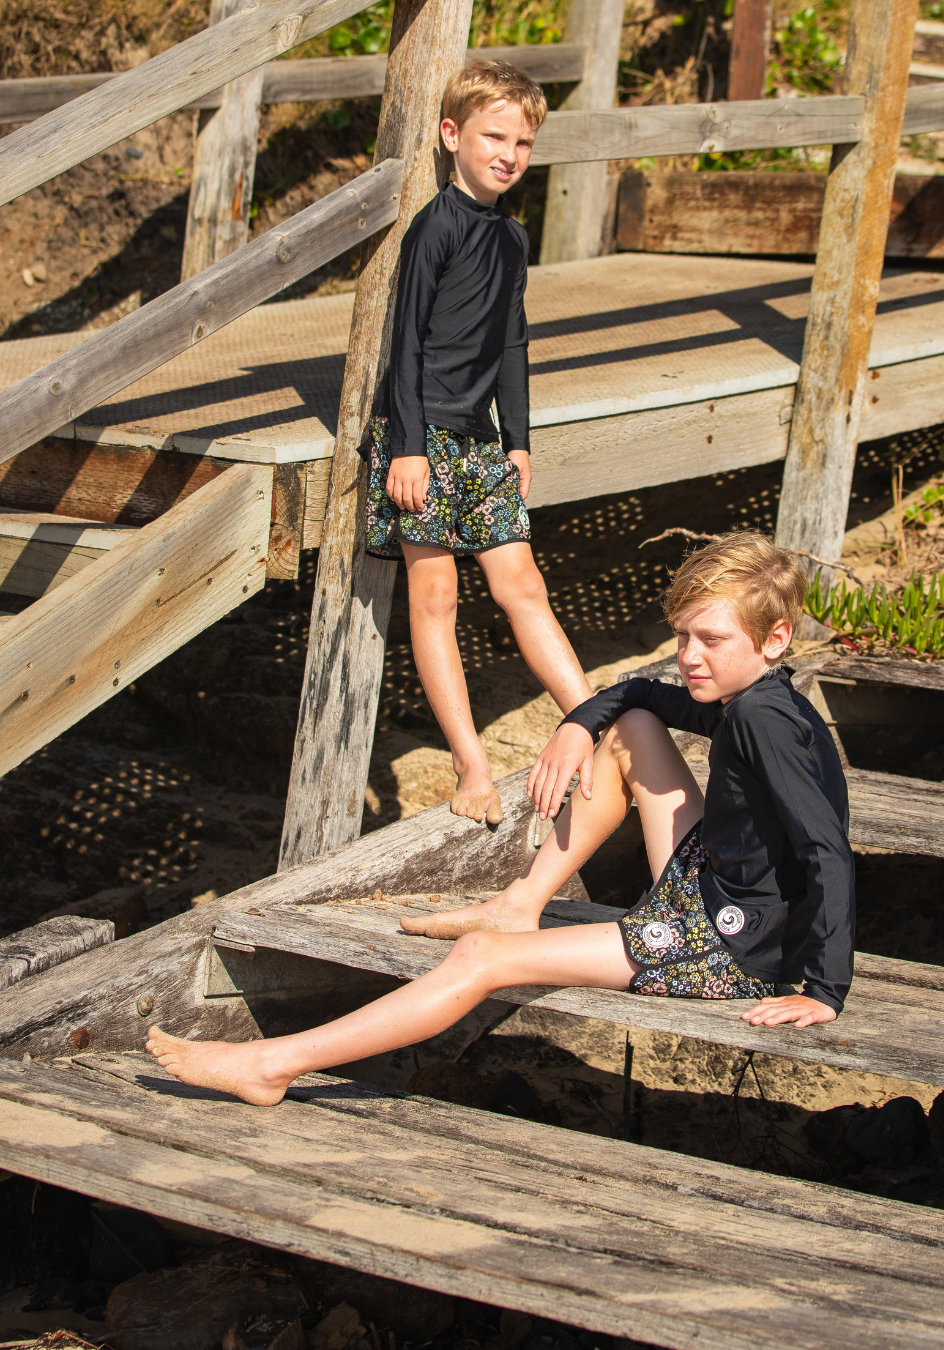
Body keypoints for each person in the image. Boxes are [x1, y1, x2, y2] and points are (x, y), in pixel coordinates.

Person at [146, 532, 855, 1107]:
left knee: (480, 959)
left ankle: (274, 1065)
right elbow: (641, 690)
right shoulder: (759, 694)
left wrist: (822, 990)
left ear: (775, 637)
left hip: (725, 941)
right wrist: (580, 723)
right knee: (633, 721)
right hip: (715, 883)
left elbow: (827, 849)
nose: (689, 656)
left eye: (710, 640)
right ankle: (522, 902)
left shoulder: (764, 719)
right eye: (682, 636)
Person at [363, 60, 593, 827]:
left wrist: (518, 439)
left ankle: (594, 715)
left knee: (521, 584)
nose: (510, 154)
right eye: (495, 136)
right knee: (437, 597)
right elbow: (404, 344)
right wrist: (407, 447)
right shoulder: (434, 229)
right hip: (421, 436)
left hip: (482, 441)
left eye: (524, 142)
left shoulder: (513, 240)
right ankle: (471, 764)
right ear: (451, 135)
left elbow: (514, 344)